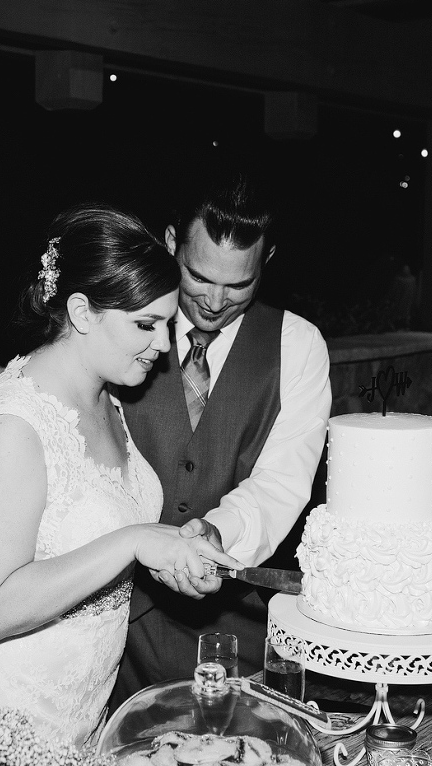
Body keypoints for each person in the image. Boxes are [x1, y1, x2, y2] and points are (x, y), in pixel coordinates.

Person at [0, 204, 238, 748]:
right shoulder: (12, 426)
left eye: (166, 323)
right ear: (82, 311)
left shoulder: (109, 399)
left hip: (79, 715)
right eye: (146, 324)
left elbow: (87, 540)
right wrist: (134, 541)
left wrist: (170, 551)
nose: (164, 346)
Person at [109, 168, 332, 705]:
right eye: (199, 276)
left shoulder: (298, 347)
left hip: (239, 631)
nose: (214, 300)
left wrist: (215, 533)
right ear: (170, 244)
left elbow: (281, 481)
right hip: (121, 631)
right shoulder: (119, 326)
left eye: (239, 285)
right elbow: (43, 413)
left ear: (267, 262)